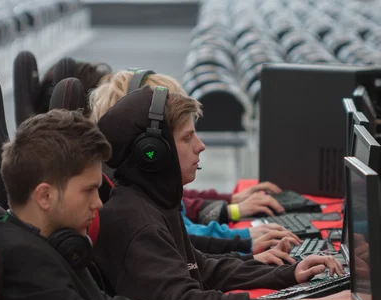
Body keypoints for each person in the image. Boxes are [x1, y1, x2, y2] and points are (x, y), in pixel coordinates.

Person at [0, 109, 313, 300]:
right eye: (88, 190)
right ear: (45, 195)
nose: (99, 204)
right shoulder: (25, 263)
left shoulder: (50, 244)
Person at [93, 86, 357, 300]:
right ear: (153, 154)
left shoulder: (154, 202)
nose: (201, 146)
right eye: (187, 138)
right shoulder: (138, 222)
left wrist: (288, 273)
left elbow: (202, 268)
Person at [90, 70, 291, 225]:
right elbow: (190, 236)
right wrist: (235, 212)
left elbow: (184, 201)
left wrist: (231, 199)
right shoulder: (127, 200)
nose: (200, 145)